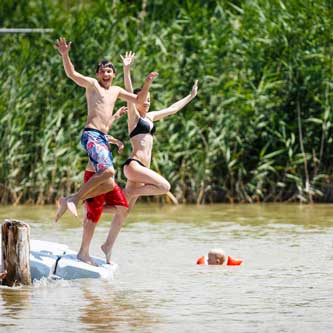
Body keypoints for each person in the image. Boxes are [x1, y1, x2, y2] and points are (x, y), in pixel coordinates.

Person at [54, 37, 158, 222]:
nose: (105, 74)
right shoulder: (93, 86)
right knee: (109, 171)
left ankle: (68, 200)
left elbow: (139, 100)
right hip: (91, 134)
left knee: (108, 184)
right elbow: (72, 74)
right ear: (97, 74)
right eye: (102, 71)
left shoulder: (116, 91)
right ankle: (74, 199)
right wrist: (65, 55)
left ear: (114, 74)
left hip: (102, 138)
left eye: (109, 71)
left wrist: (147, 82)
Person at [120, 51, 198, 211]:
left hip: (143, 168)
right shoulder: (133, 117)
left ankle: (92, 207)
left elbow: (172, 109)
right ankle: (132, 191)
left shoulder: (150, 116)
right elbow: (128, 89)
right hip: (136, 165)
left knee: (124, 211)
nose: (147, 102)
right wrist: (127, 70)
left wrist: (190, 96)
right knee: (164, 186)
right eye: (144, 99)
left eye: (149, 99)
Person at [77, 108, 129, 265]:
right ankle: (83, 253)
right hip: (95, 177)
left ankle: (85, 204)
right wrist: (115, 116)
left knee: (123, 207)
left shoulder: (102, 134)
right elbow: (102, 131)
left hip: (108, 179)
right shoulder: (93, 136)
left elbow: (106, 132)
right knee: (93, 218)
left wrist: (116, 140)